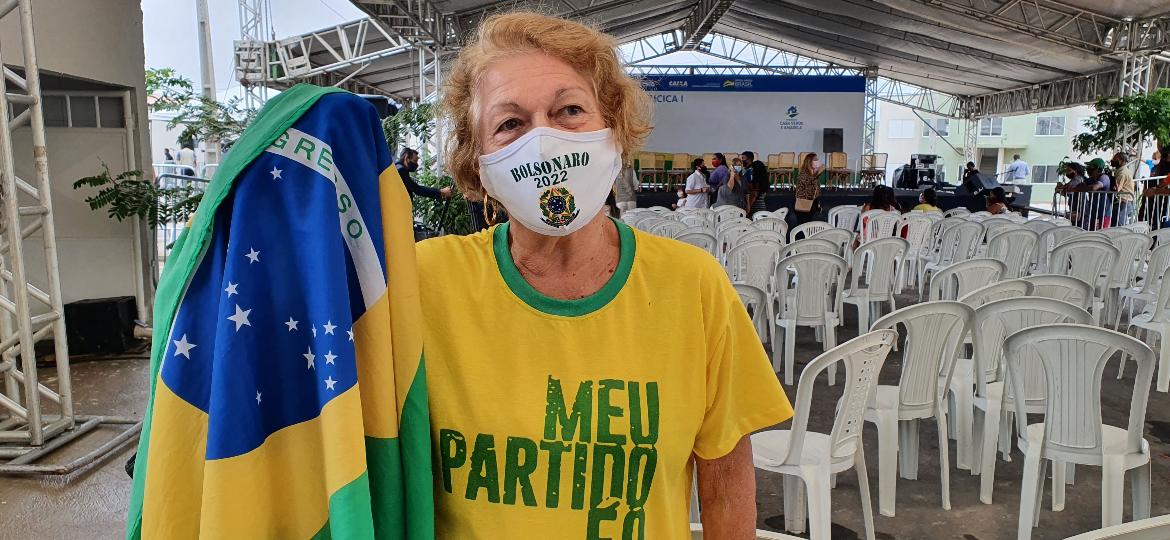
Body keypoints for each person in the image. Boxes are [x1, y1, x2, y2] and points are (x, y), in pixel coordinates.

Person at [424, 12, 792, 538]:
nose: (544, 140)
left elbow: (726, 486)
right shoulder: (427, 282)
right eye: (510, 123)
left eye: (569, 110)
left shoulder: (693, 287)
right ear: (477, 163)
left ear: (614, 130)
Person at [1073, 158, 1112, 229]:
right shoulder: (1091, 179)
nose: (1088, 169)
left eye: (1091, 167)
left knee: (1102, 234)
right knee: (1092, 234)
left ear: (1097, 168)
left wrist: (1085, 188)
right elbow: (1078, 186)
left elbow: (1094, 187)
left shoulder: (1104, 177)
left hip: (1104, 213)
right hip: (1093, 212)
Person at [792, 152, 822, 224]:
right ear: (809, 162)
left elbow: (816, 192)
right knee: (802, 227)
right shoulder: (804, 175)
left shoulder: (813, 174)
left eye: (817, 159)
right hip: (803, 206)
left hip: (811, 205)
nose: (818, 161)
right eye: (815, 159)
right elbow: (809, 191)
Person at [1110, 151, 1135, 226]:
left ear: (1122, 161)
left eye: (1115, 159)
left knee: (1118, 226)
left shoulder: (1122, 173)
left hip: (1123, 202)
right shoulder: (1123, 170)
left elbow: (1117, 189)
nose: (1112, 161)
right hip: (1124, 202)